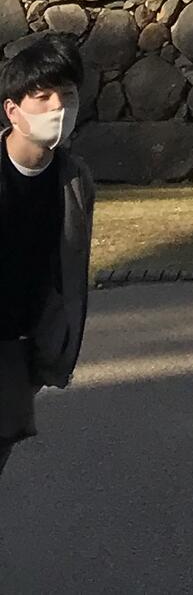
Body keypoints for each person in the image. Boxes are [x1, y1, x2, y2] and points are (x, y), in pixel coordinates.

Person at [0, 34, 95, 488]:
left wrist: (54, 346)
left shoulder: (74, 180)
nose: (58, 106)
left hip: (17, 349)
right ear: (12, 110)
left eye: (68, 95)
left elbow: (67, 269)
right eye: (43, 96)